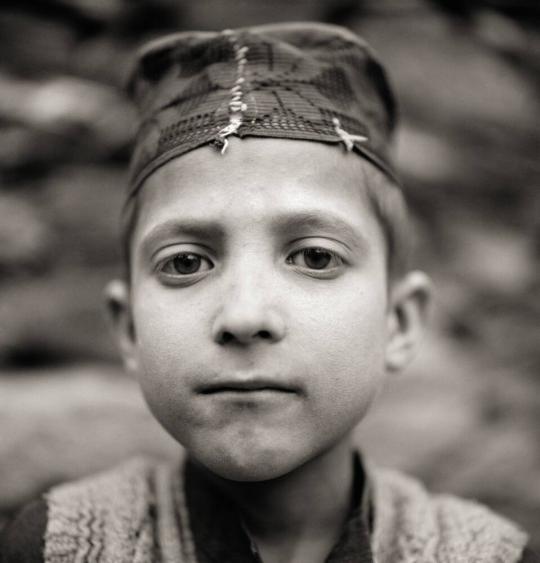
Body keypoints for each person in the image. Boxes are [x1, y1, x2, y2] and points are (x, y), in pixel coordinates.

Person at [0, 21, 537, 563]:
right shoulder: (59, 545)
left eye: (316, 256)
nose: (244, 313)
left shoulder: (485, 554)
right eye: (186, 262)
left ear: (399, 321)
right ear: (129, 328)